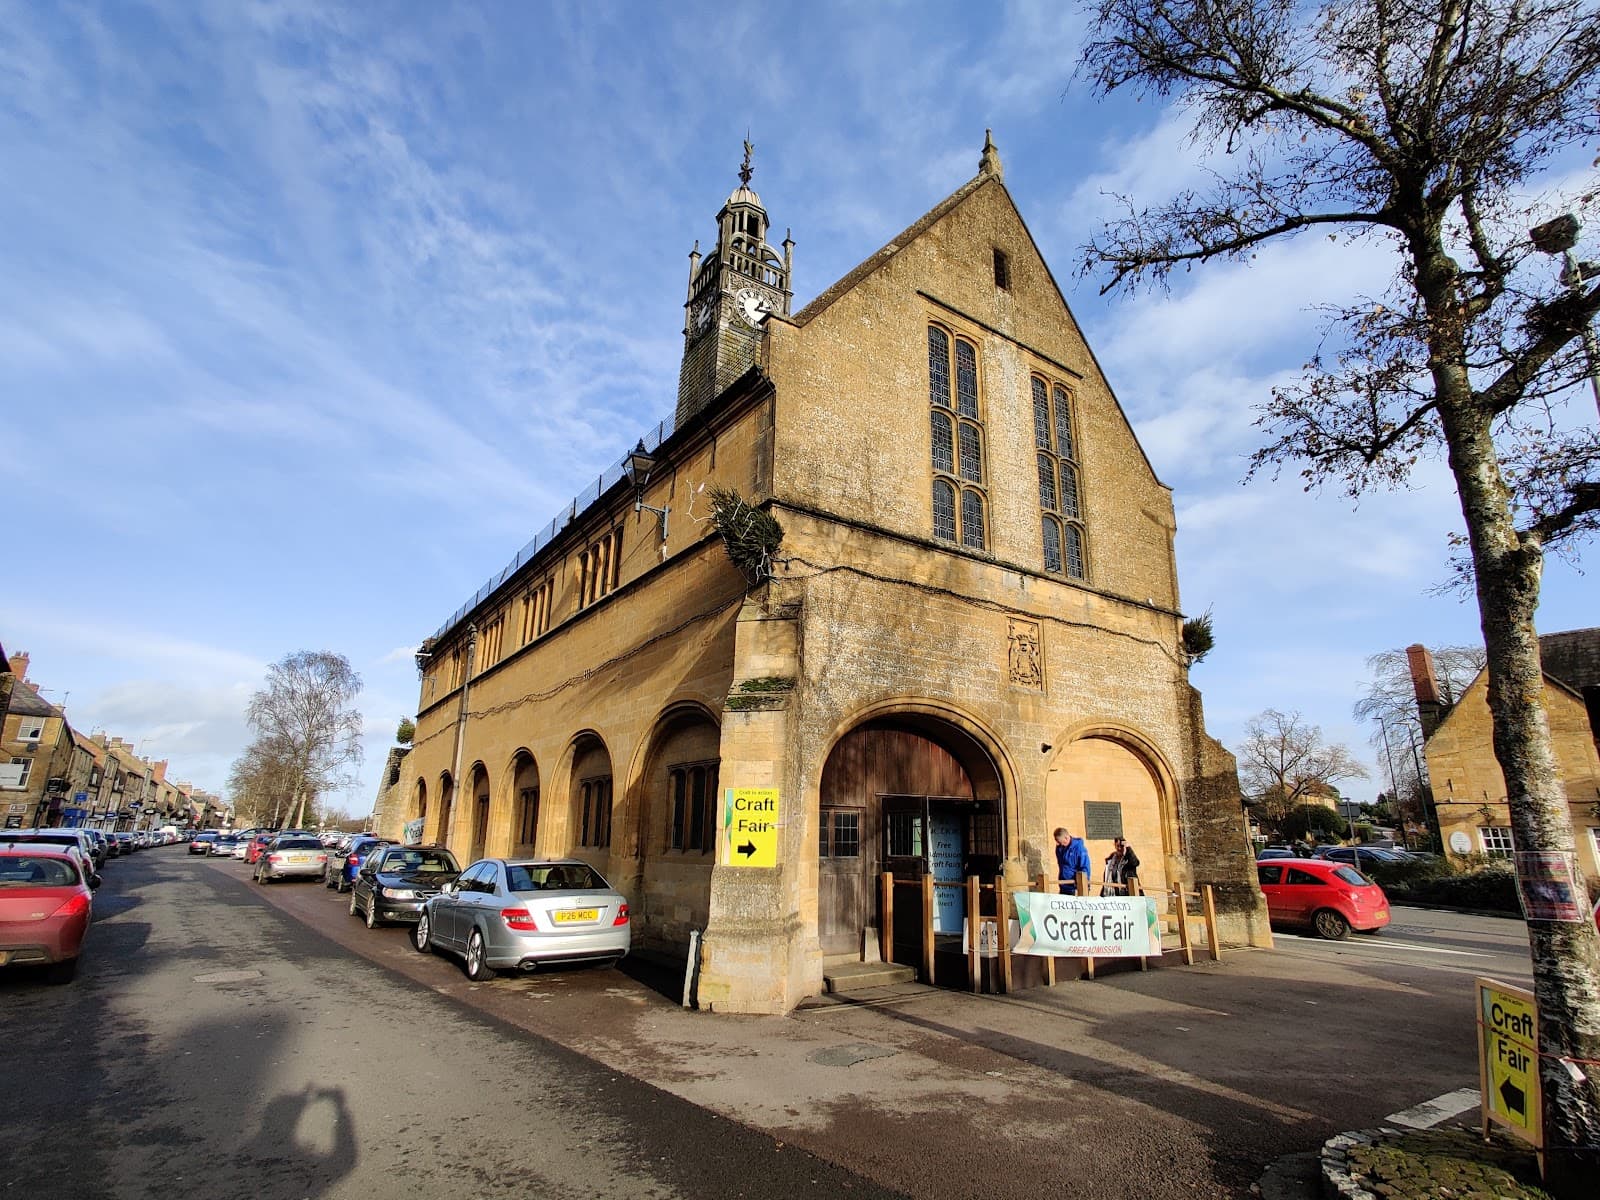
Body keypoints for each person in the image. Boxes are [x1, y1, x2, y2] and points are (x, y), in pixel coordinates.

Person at [1054, 827, 1090, 895]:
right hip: (1064, 886)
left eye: (1061, 842)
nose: (1059, 844)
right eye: (1057, 842)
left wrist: (1082, 885)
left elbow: (1085, 867)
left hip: (1075, 887)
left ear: (1066, 838)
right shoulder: (1059, 848)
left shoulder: (1079, 848)